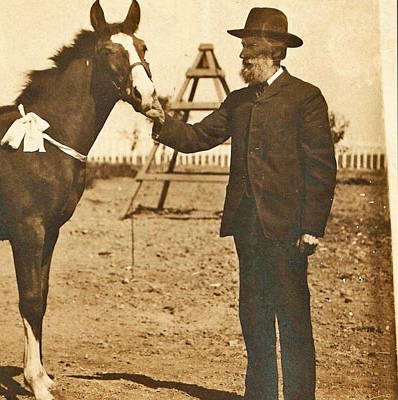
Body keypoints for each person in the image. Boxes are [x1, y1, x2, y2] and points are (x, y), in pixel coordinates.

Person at [147, 7, 337, 400]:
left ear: (275, 50)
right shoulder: (238, 101)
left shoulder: (306, 98)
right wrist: (161, 121)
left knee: (293, 319)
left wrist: (312, 226)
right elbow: (198, 137)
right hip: (247, 227)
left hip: (288, 229)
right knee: (254, 317)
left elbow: (321, 168)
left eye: (250, 47)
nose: (242, 55)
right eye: (243, 47)